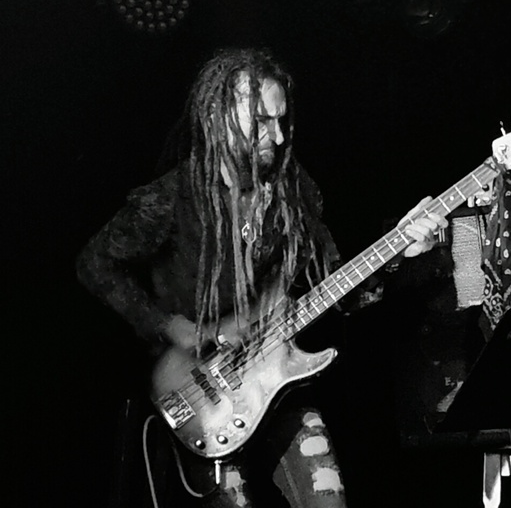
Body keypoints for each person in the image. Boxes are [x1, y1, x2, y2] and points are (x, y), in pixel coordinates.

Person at [76, 47, 447, 508]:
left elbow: (337, 289)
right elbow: (95, 263)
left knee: (329, 500)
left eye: (281, 120)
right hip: (201, 398)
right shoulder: (172, 198)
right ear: (217, 118)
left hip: (277, 383)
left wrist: (397, 252)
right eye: (261, 121)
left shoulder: (293, 191)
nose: (277, 134)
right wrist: (168, 325)